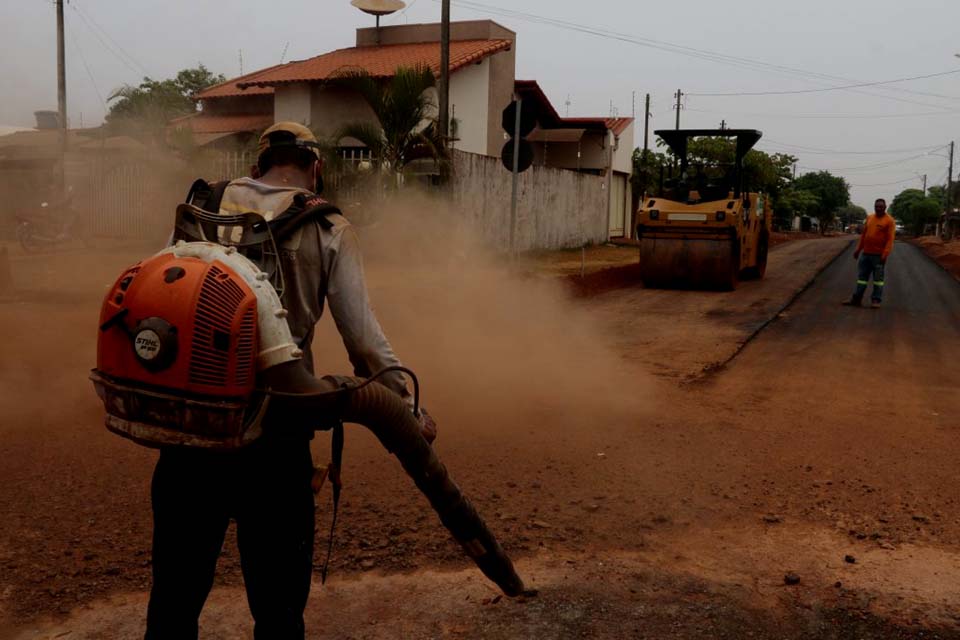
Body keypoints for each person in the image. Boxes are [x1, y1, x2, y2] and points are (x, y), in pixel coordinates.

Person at [145, 122, 435, 640]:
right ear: (314, 168)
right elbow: (363, 342)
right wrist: (406, 406)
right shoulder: (327, 226)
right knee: (278, 609)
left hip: (194, 426)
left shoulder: (201, 206)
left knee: (173, 599)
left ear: (258, 165)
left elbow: (160, 284)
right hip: (276, 433)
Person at [843, 197, 896, 308]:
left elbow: (890, 240)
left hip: (878, 256)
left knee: (878, 280)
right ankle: (856, 299)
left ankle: (876, 300)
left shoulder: (889, 221)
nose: (878, 208)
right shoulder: (870, 218)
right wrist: (858, 250)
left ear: (885, 207)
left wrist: (885, 255)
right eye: (876, 206)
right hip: (866, 255)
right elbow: (864, 236)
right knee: (862, 279)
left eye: (881, 206)